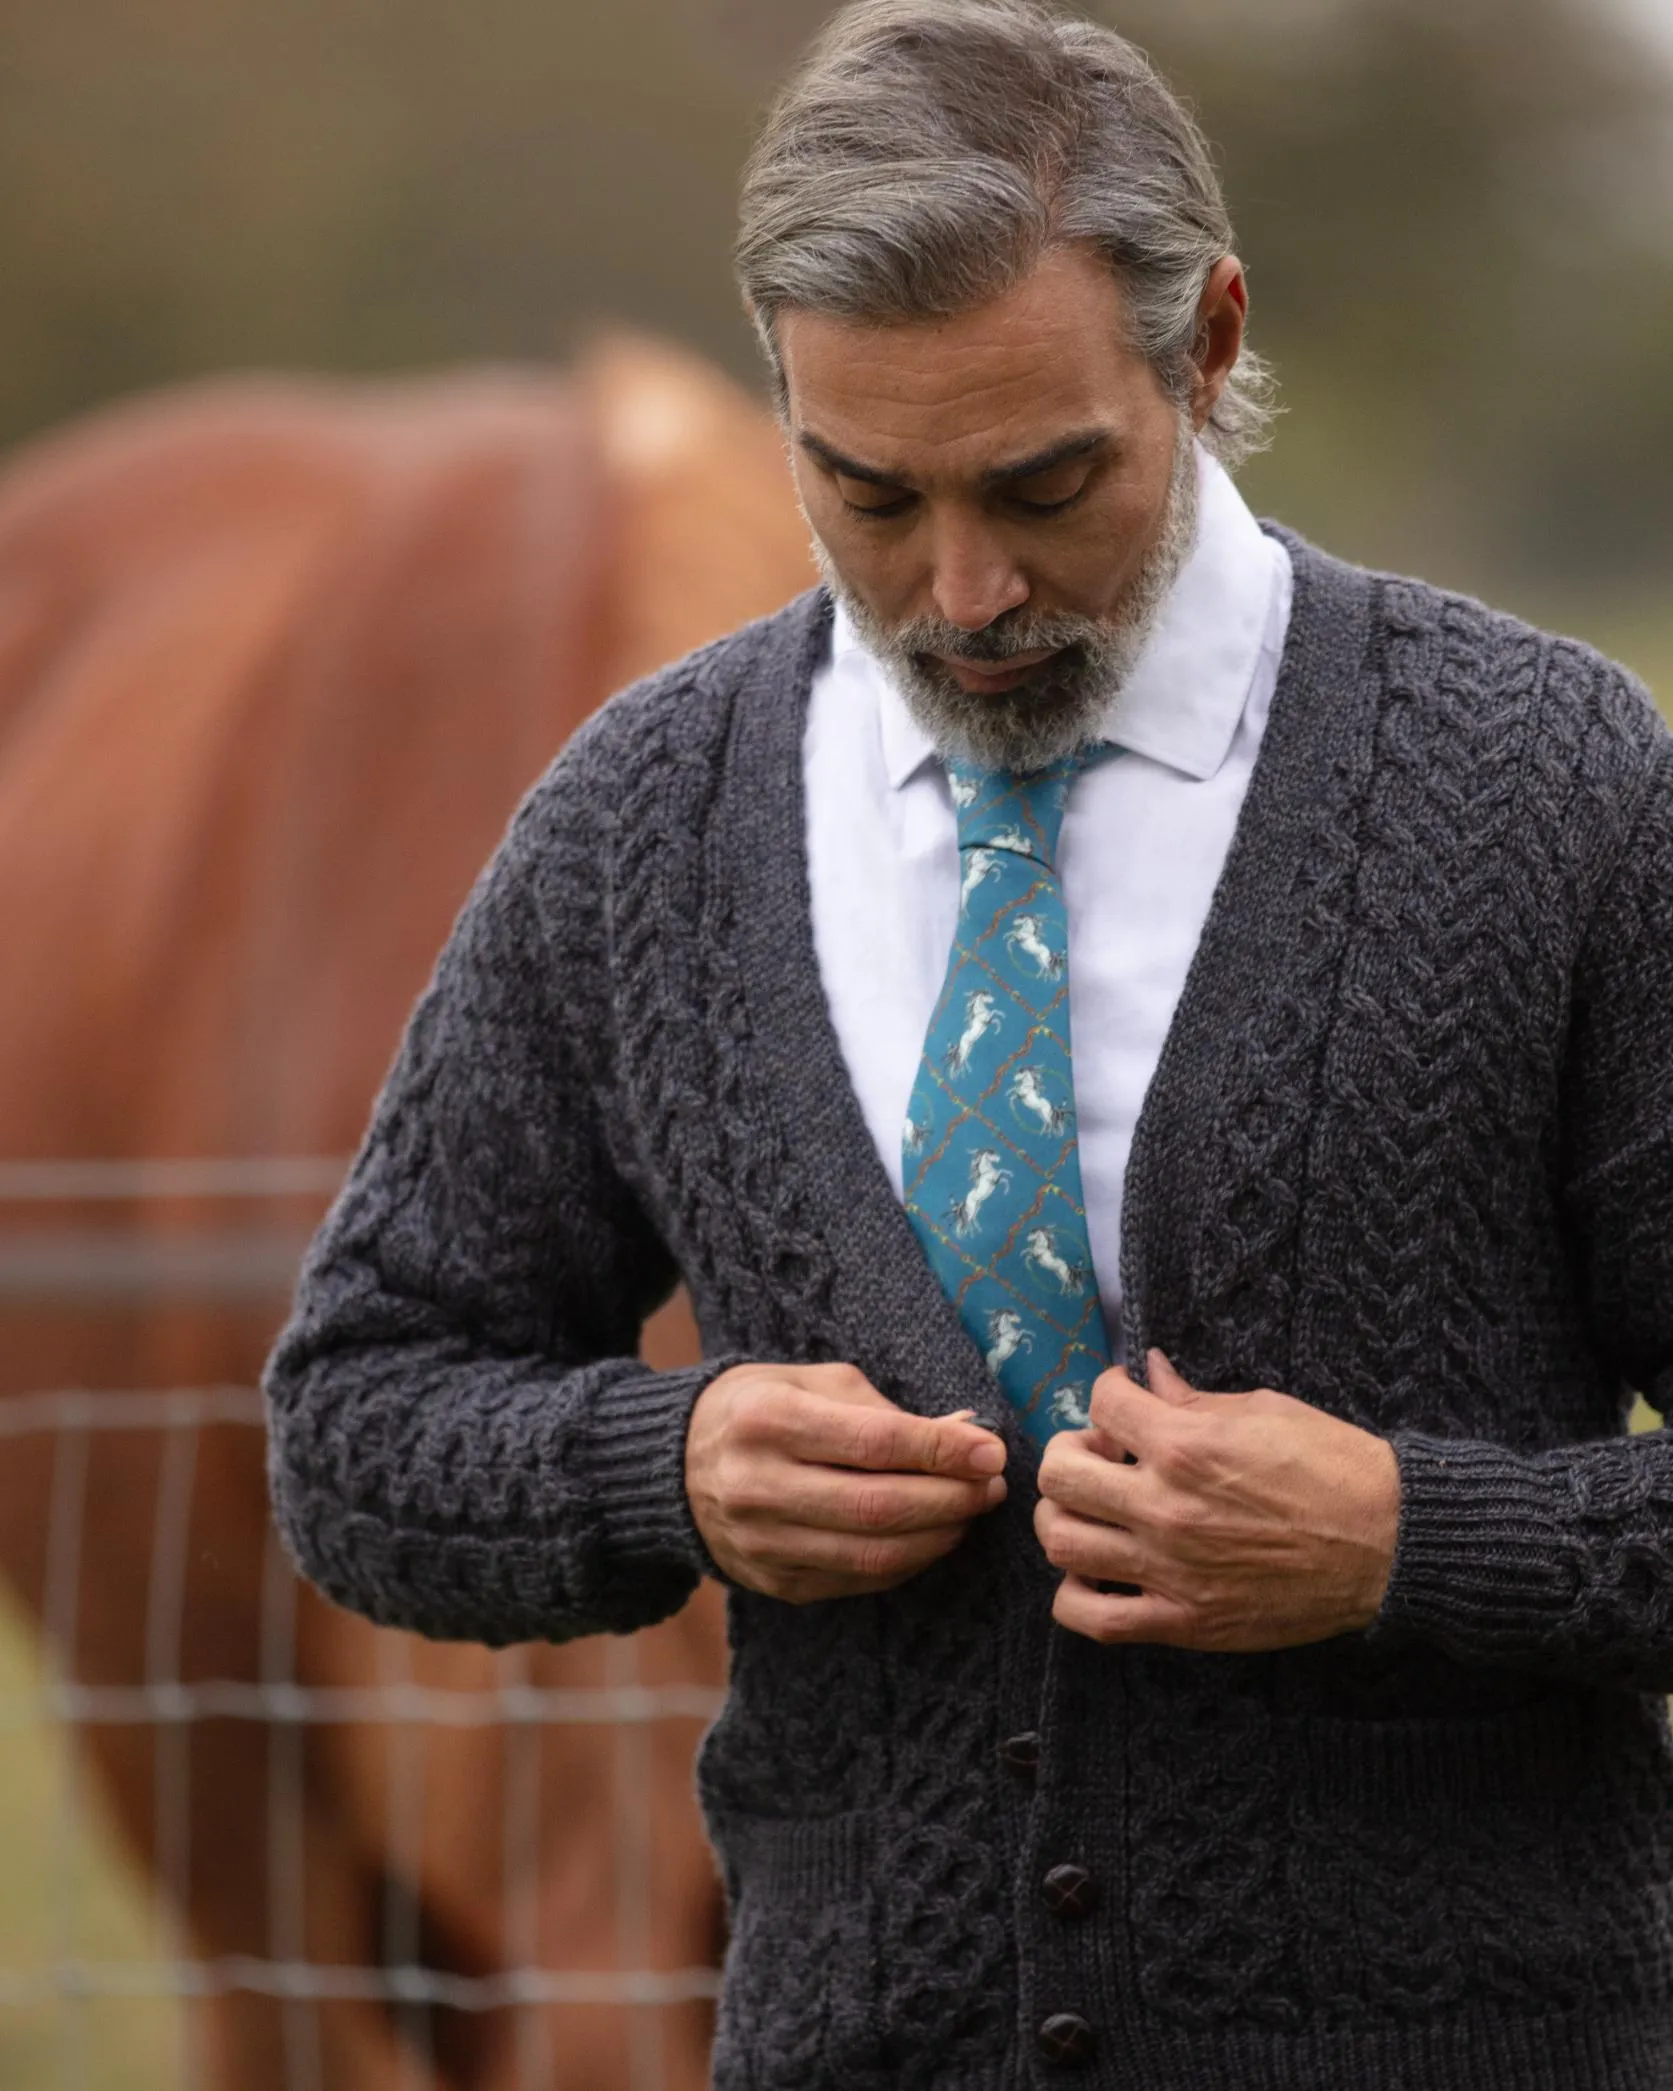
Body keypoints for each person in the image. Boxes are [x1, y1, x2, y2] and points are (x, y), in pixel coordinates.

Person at [263, 2, 1673, 2084]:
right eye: (865, 492)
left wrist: (1401, 1535)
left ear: (1202, 343)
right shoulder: (644, 819)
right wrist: (667, 1465)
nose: (961, 587)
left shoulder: (1547, 782)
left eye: (1043, 483)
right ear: (781, 390)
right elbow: (356, 1428)